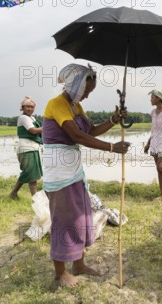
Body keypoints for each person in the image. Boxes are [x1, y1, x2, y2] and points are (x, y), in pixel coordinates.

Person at [42, 63, 130, 288]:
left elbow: (89, 130)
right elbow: (77, 135)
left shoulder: (75, 107)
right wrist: (111, 147)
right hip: (59, 172)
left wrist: (112, 120)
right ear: (77, 85)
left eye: (90, 92)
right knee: (63, 219)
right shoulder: (57, 104)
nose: (88, 95)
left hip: (73, 171)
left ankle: (79, 264)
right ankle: (60, 273)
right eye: (86, 90)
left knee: (81, 215)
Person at [10, 96, 43, 199]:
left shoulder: (32, 118)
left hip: (33, 149)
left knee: (30, 174)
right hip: (26, 149)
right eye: (27, 106)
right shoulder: (23, 118)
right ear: (22, 108)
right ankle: (36, 199)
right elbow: (33, 131)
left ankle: (14, 193)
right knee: (31, 175)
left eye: (32, 107)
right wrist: (47, 127)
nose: (30, 109)